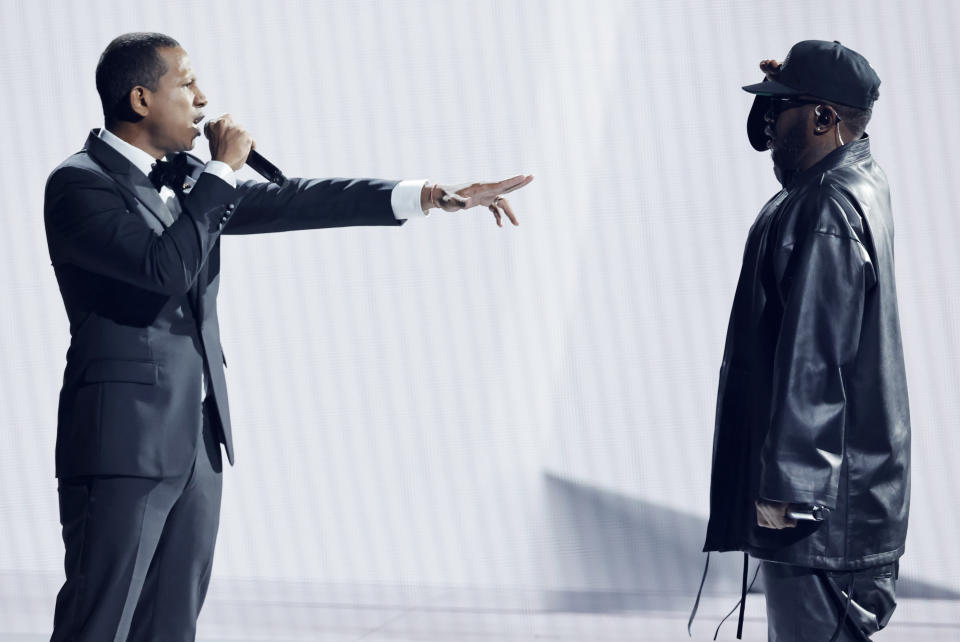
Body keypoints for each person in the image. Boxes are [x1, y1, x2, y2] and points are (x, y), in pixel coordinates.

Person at [44, 32, 532, 641]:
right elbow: (164, 268)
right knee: (99, 624)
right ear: (141, 99)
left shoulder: (186, 182)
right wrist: (221, 170)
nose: (204, 99)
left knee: (171, 627)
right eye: (187, 83)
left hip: (195, 441)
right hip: (121, 445)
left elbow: (292, 202)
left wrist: (429, 197)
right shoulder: (79, 184)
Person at [702, 41, 909, 641]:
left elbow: (814, 368)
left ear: (823, 118)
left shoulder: (825, 207)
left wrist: (787, 502)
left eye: (781, 109)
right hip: (842, 507)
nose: (767, 123)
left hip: (817, 521)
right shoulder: (856, 180)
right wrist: (784, 91)